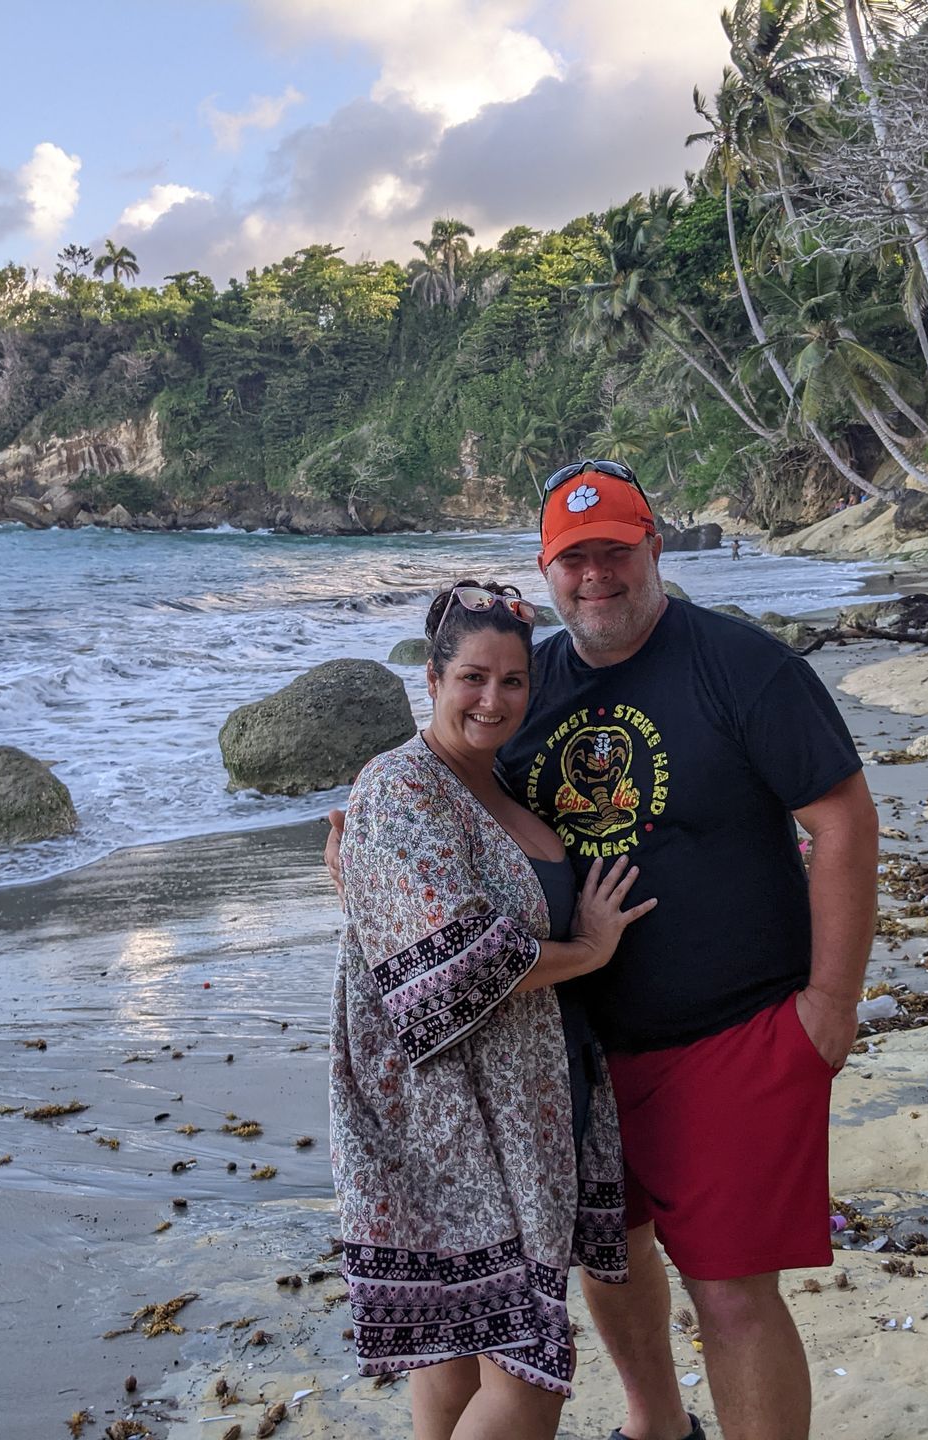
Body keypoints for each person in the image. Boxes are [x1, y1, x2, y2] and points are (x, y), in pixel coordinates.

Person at [329, 461, 879, 1440]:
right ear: (546, 570)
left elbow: (841, 821)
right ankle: (655, 1425)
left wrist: (830, 1005)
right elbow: (445, 809)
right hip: (566, 1054)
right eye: (572, 559)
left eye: (613, 553)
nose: (595, 577)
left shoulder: (742, 667)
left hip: (734, 1034)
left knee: (732, 1295)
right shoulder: (533, 683)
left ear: (652, 549)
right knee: (610, 1260)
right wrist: (362, 868)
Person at [330, 578, 659, 1440]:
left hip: (527, 1102)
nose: (493, 698)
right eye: (473, 677)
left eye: (513, 681)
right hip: (452, 1122)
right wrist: (587, 950)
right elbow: (454, 960)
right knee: (528, 1368)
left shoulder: (500, 784)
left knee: (466, 1345)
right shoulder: (400, 787)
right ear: (431, 680)